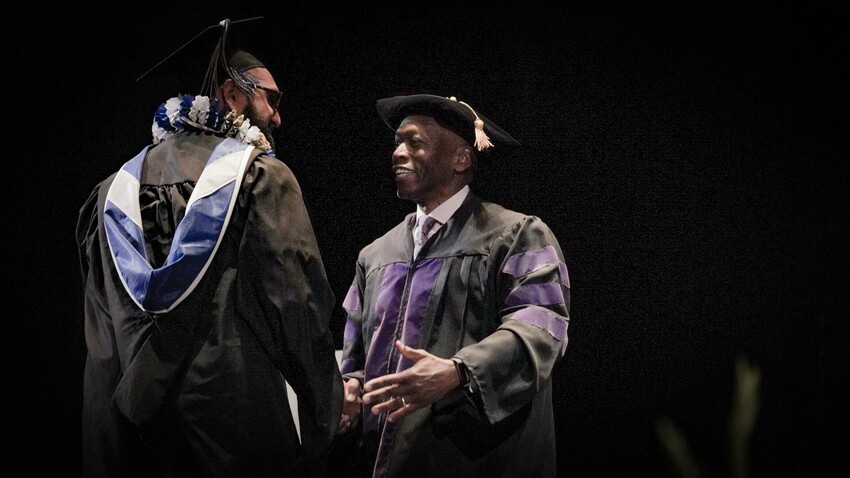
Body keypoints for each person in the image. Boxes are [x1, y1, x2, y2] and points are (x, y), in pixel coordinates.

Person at [76, 20, 351, 477]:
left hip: (133, 440)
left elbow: (100, 342)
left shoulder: (109, 196)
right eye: (271, 99)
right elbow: (298, 307)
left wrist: (102, 447)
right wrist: (325, 408)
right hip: (240, 435)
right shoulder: (262, 179)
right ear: (232, 96)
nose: (278, 116)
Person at [336, 93, 571, 477]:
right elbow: (357, 354)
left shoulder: (515, 235)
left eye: (414, 142)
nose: (398, 152)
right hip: (387, 458)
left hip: (474, 455)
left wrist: (459, 370)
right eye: (397, 141)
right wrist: (350, 385)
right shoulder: (375, 255)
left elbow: (541, 327)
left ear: (461, 158)